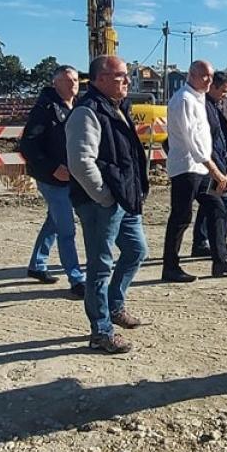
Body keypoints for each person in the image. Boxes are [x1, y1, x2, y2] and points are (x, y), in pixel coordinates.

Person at [66, 55, 147, 355]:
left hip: (123, 200)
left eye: (126, 75)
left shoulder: (118, 108)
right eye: (120, 76)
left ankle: (115, 306)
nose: (127, 81)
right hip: (101, 203)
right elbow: (80, 161)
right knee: (100, 266)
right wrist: (104, 196)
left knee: (137, 251)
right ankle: (100, 331)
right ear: (99, 79)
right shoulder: (87, 112)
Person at [162, 60, 227, 281]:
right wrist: (216, 171)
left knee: (217, 206)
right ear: (191, 75)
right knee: (181, 217)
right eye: (204, 76)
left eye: (210, 76)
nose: (208, 80)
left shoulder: (199, 99)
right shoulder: (184, 100)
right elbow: (193, 142)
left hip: (201, 167)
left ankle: (220, 262)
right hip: (186, 168)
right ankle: (170, 266)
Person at [20, 65, 85, 298]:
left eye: (76, 80)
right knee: (67, 228)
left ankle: (37, 265)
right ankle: (77, 279)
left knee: (54, 222)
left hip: (73, 176)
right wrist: (52, 168)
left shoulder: (78, 107)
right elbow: (27, 144)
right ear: (55, 83)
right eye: (67, 80)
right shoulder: (44, 109)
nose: (73, 85)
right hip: (51, 178)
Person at [191, 70, 227, 261]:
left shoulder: (212, 106)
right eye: (223, 91)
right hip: (208, 165)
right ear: (213, 87)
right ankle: (215, 243)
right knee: (220, 202)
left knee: (214, 203)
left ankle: (206, 242)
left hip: (216, 163)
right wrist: (217, 165)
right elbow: (206, 140)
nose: (225, 96)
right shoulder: (203, 107)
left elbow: (221, 138)